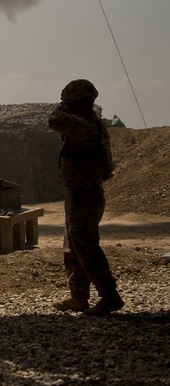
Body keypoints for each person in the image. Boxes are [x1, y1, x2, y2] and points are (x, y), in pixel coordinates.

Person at [48, 79, 123, 316]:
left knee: (85, 246)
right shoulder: (93, 123)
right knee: (74, 244)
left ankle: (109, 296)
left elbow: (54, 120)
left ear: (76, 103)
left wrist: (63, 105)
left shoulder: (84, 126)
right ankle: (78, 296)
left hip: (84, 193)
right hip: (81, 191)